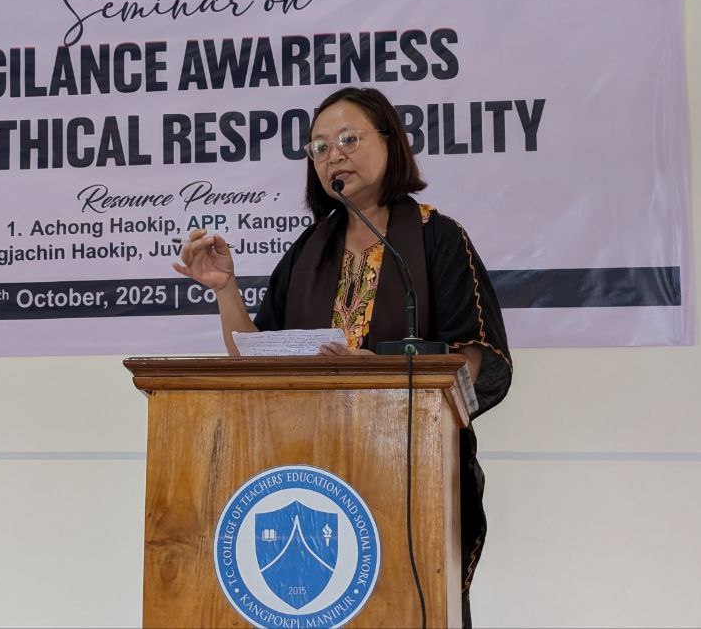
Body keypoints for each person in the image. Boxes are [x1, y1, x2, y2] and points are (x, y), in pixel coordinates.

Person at [173, 86, 512, 625]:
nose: (334, 154)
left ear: (391, 142)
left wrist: (388, 374)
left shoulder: (437, 239)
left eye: (349, 139)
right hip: (309, 471)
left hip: (410, 470)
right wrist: (224, 289)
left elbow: (479, 360)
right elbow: (256, 359)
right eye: (320, 147)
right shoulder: (308, 251)